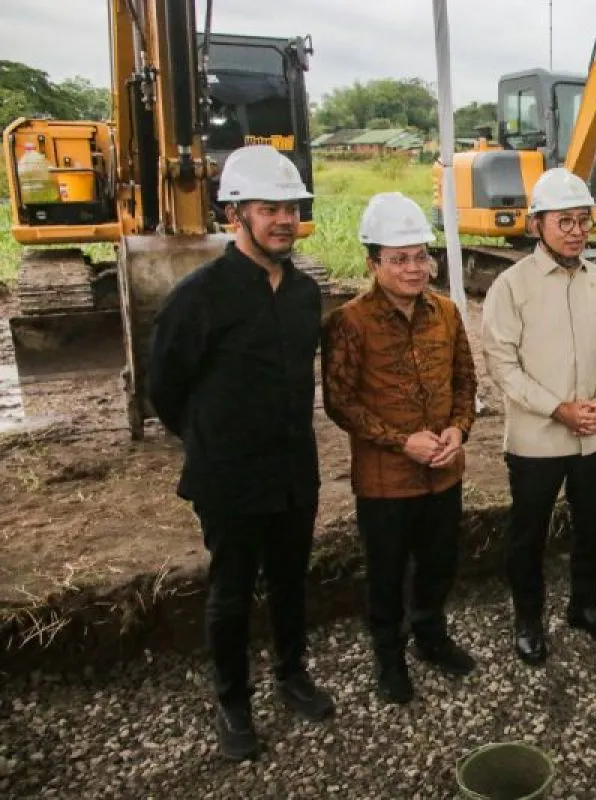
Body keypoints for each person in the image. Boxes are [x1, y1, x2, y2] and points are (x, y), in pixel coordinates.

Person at [149, 144, 334, 762]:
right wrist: (212, 439)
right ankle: (233, 703)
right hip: (229, 478)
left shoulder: (305, 293)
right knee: (230, 593)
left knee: (290, 581)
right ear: (235, 215)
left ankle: (292, 675)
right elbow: (165, 388)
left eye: (291, 208)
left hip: (293, 471)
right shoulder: (199, 297)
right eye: (269, 208)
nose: (284, 220)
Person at [321, 193, 478, 705]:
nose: (414, 269)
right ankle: (388, 656)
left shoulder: (447, 313)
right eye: (399, 259)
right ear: (373, 264)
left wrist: (458, 430)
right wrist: (400, 441)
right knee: (386, 572)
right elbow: (340, 402)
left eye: (420, 257)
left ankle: (431, 636)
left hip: (444, 472)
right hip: (385, 481)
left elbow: (464, 381)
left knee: (439, 563)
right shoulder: (350, 322)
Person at [481, 168, 596, 665]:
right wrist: (557, 409)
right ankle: (528, 619)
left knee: (593, 526)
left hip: (595, 434)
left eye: (583, 220)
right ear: (536, 225)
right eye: (564, 221)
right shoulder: (511, 286)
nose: (576, 231)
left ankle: (585, 606)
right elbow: (502, 365)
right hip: (536, 440)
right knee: (529, 535)